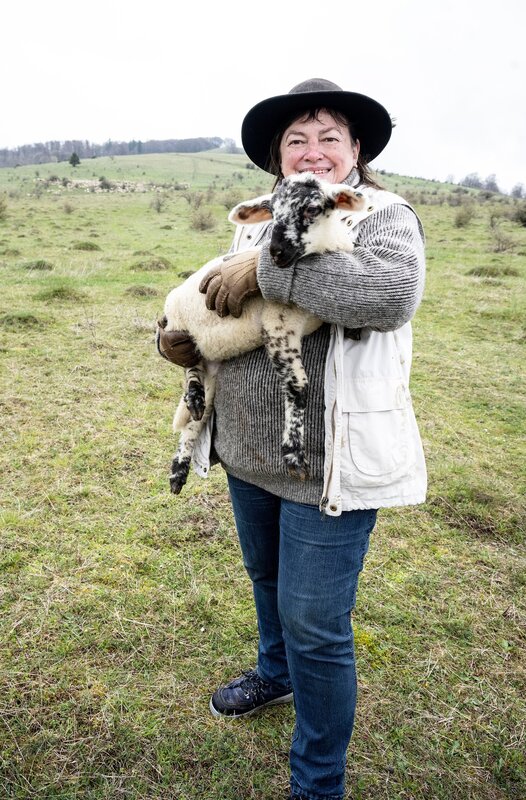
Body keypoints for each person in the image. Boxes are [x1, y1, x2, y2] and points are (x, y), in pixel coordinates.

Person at [158, 78, 427, 800]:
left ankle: (316, 782)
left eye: (328, 137)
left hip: (325, 462)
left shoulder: (384, 216)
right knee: (268, 580)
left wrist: (266, 267)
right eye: (296, 140)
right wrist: (181, 342)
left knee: (315, 623)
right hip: (247, 451)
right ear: (278, 156)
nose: (312, 152)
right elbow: (226, 310)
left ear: (356, 150)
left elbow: (385, 298)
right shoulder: (257, 218)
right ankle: (275, 675)